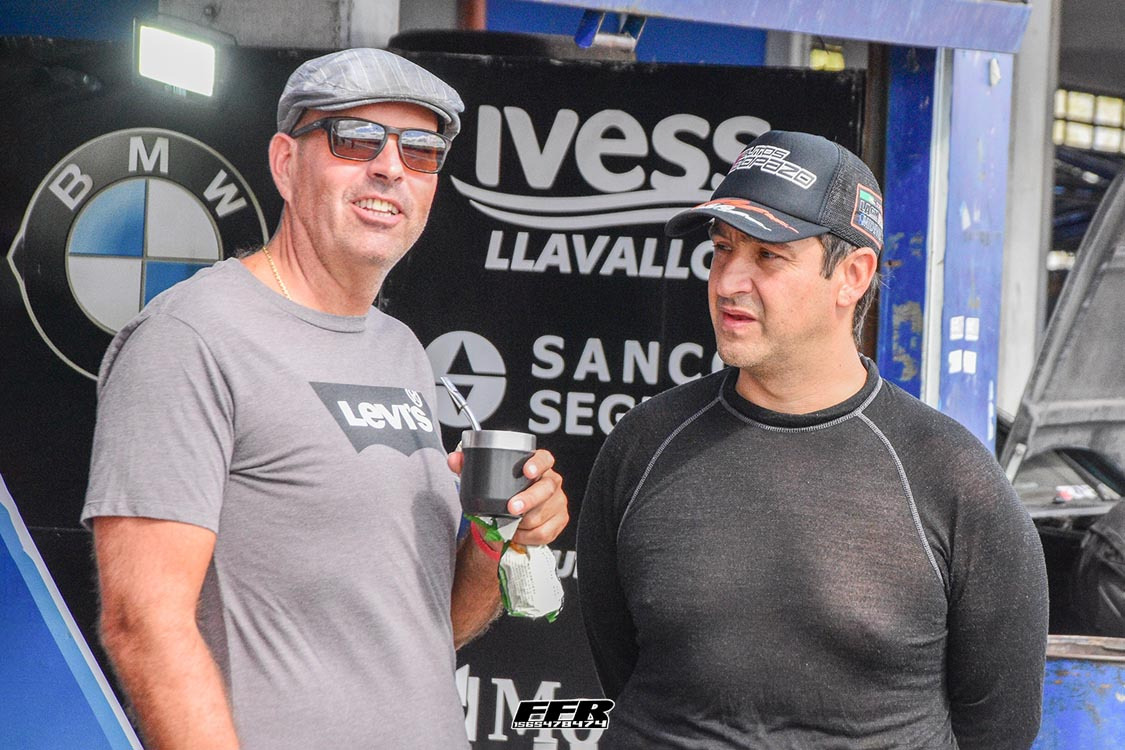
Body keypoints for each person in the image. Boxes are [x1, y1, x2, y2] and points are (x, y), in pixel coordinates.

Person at [81, 48, 567, 750]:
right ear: (285, 163)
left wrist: (499, 534)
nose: (390, 167)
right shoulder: (190, 336)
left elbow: (428, 631)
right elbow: (143, 625)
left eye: (421, 150)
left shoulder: (400, 348)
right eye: (356, 139)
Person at [577, 130, 1048, 749]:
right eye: (722, 249)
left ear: (852, 275)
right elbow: (619, 669)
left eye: (768, 257)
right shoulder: (644, 446)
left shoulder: (950, 476)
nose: (728, 281)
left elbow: (1000, 728)